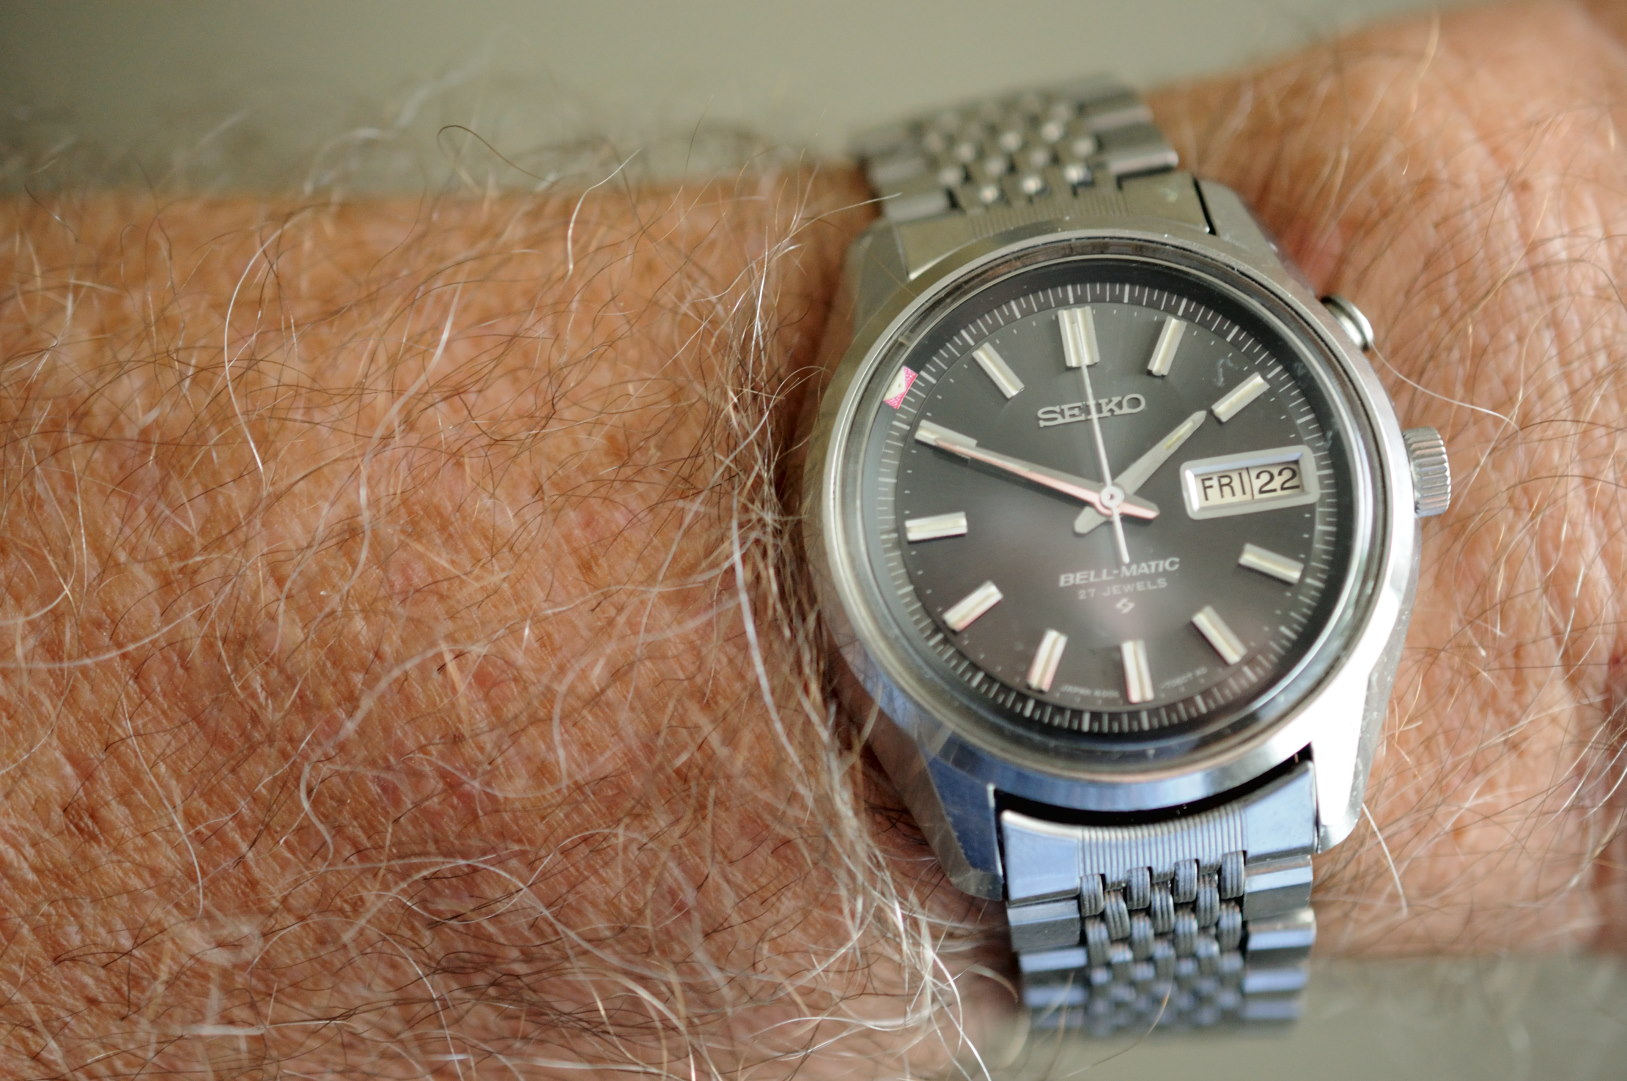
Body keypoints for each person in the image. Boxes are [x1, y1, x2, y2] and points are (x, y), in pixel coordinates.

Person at [1, 2, 1622, 1078]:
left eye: (1131, 491)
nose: (1115, 505)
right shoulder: (891, 526)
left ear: (1392, 465)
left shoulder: (1330, 564)